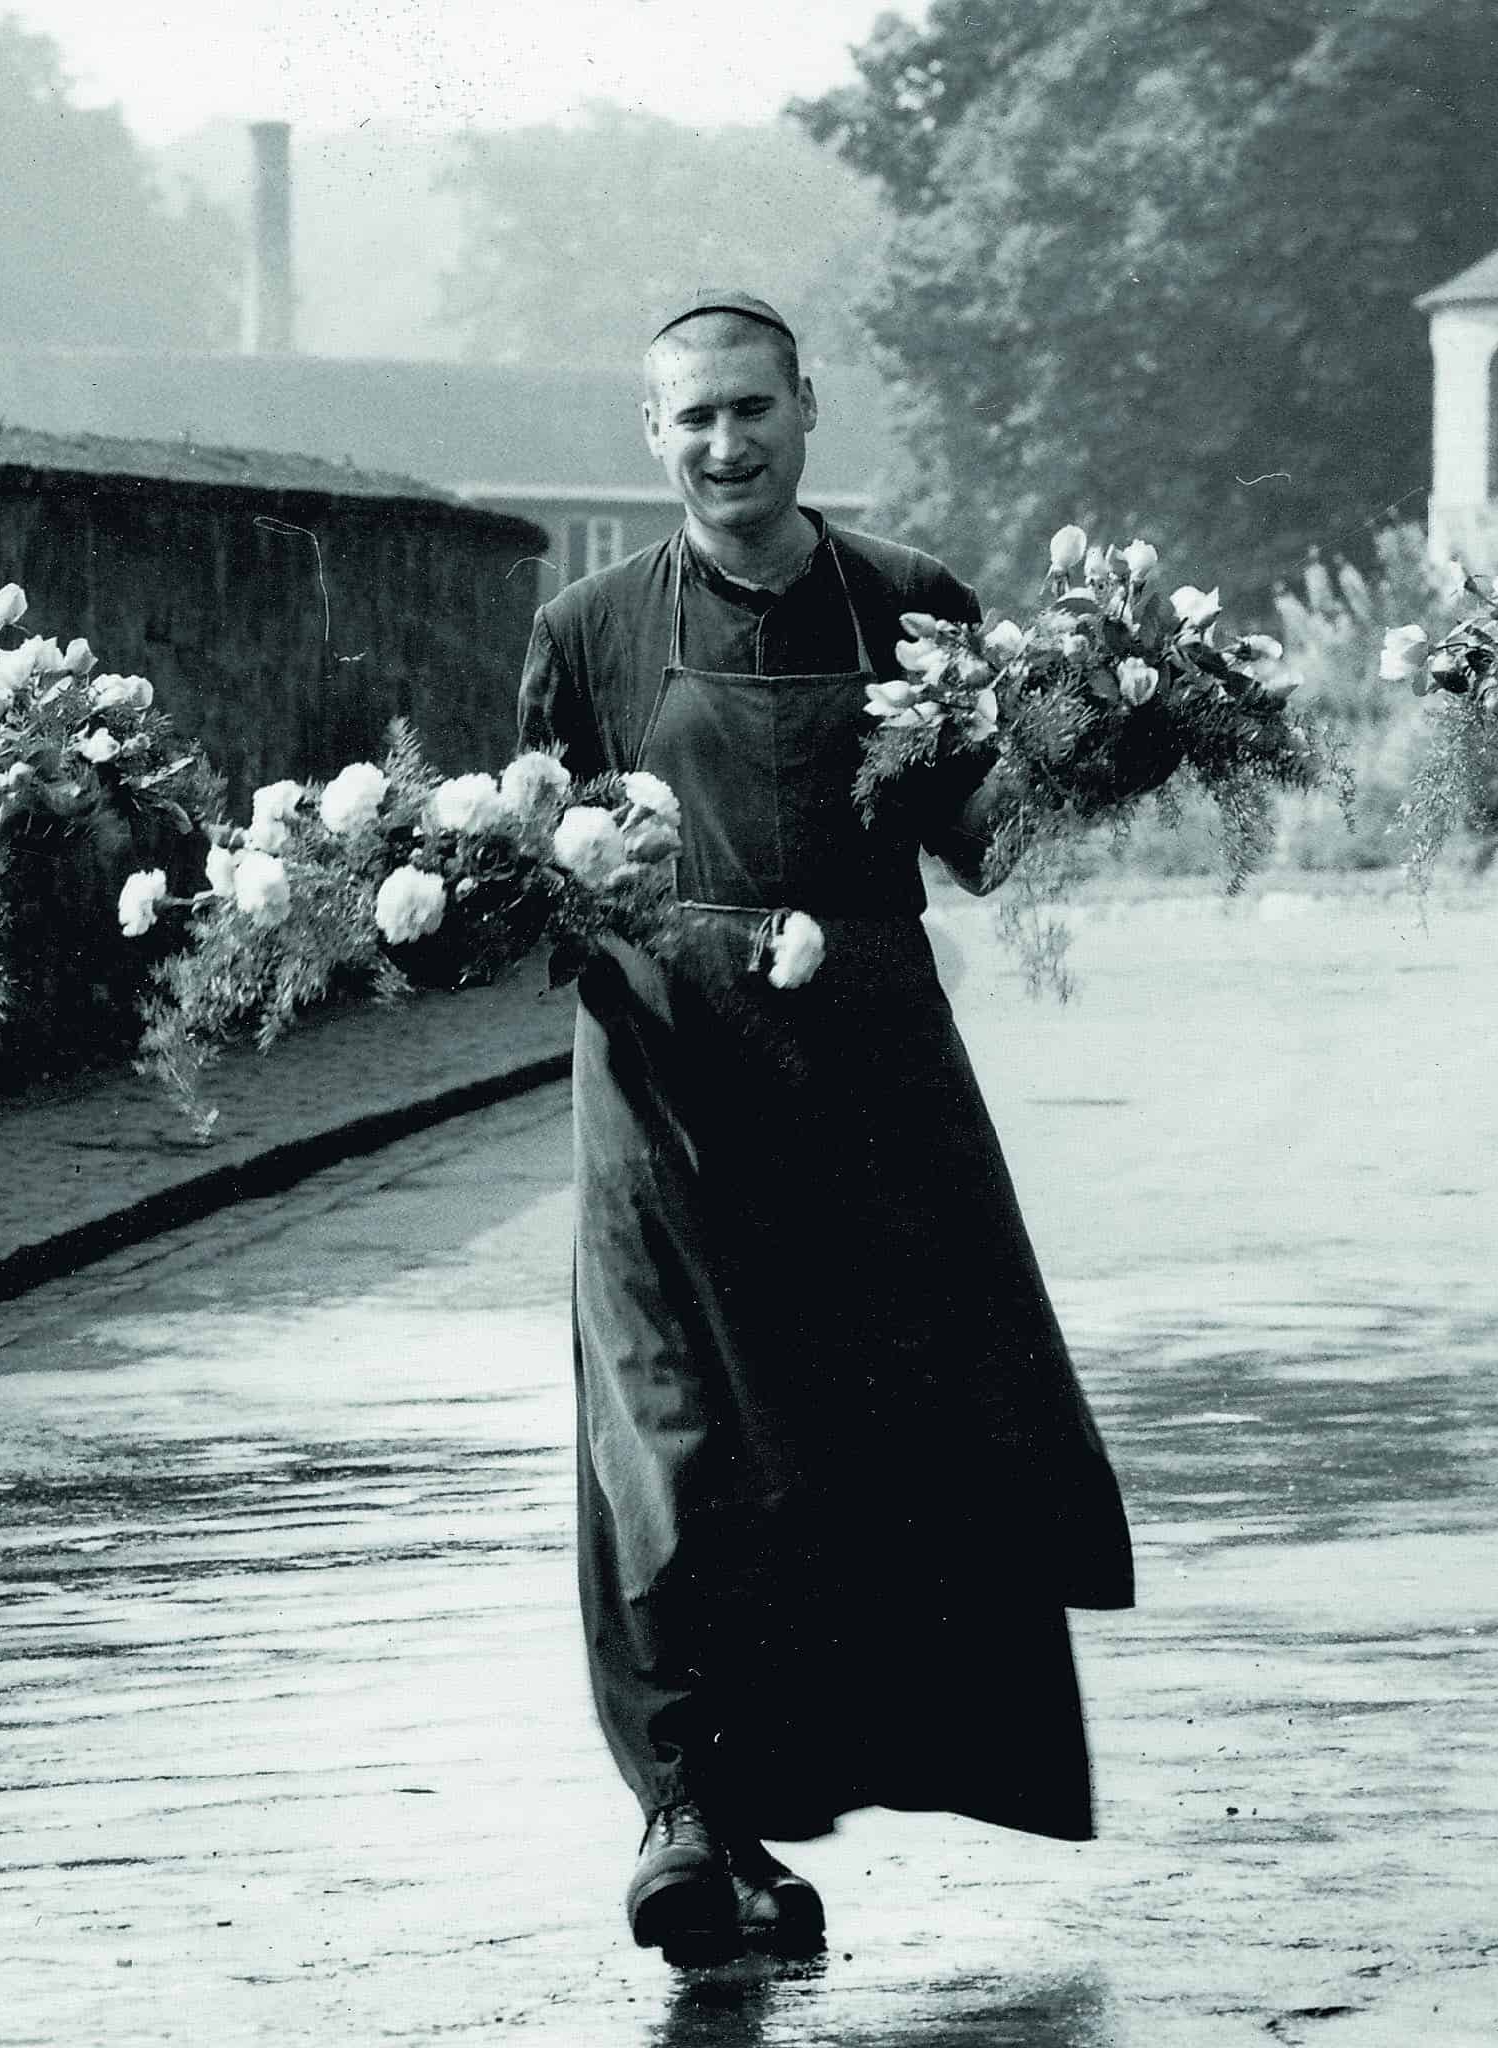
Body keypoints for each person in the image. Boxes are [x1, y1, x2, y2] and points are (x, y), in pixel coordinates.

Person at [517, 290, 1135, 1964]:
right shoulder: (583, 633)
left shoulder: (914, 602)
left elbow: (983, 846)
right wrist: (594, 902)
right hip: (660, 1085)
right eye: (693, 418)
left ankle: (765, 1825)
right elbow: (537, 890)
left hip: (870, 1081)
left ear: (809, 410)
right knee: (673, 1443)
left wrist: (1090, 746)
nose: (727, 443)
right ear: (652, 437)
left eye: (753, 409)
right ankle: (685, 1806)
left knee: (862, 1450)